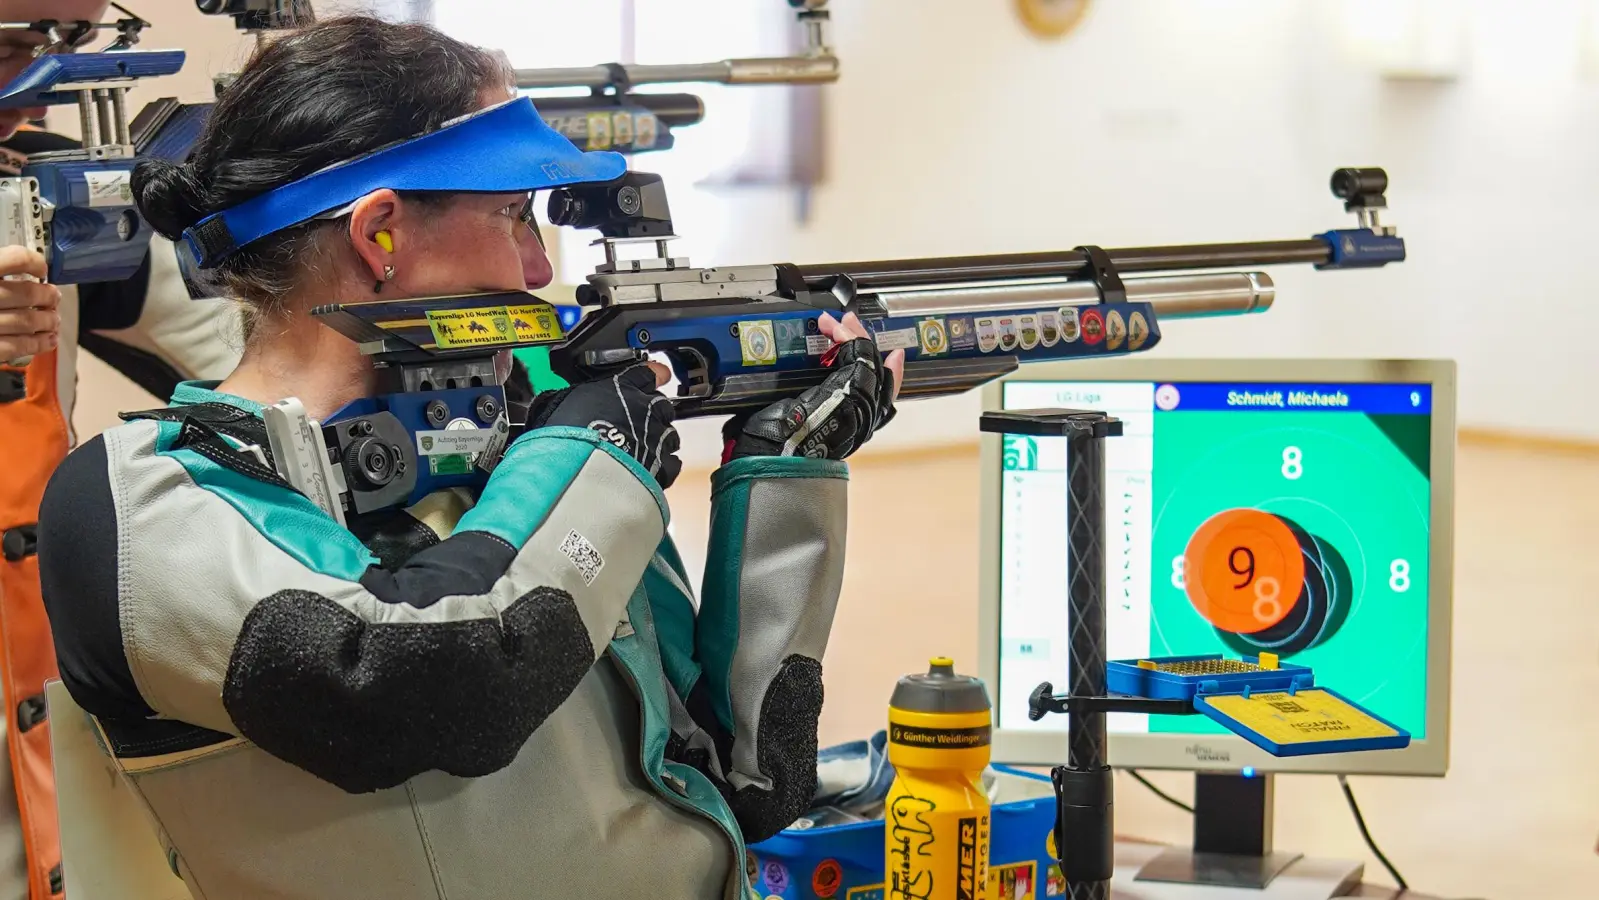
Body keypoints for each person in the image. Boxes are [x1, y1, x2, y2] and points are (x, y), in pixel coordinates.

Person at [36, 15, 903, 900]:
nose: (535, 266)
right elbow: (431, 680)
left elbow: (748, 782)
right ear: (381, 233)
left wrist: (785, 471)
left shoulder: (517, 462)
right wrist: (593, 451)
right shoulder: (142, 498)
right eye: (513, 215)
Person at [0, 6, 242, 898]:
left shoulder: (49, 177)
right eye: (18, 41)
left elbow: (237, 347)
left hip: (40, 678)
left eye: (73, 42)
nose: (40, 76)